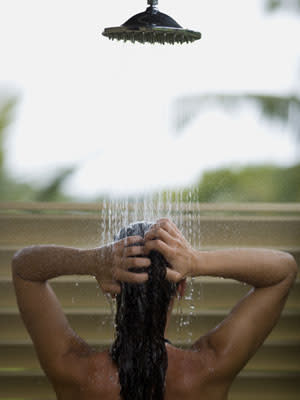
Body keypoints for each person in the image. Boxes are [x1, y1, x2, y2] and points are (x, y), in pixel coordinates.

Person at [12, 218, 297, 400]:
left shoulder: (76, 372)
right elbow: (283, 270)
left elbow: (24, 267)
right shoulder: (209, 368)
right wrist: (197, 262)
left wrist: (92, 261)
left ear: (113, 291)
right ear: (181, 288)